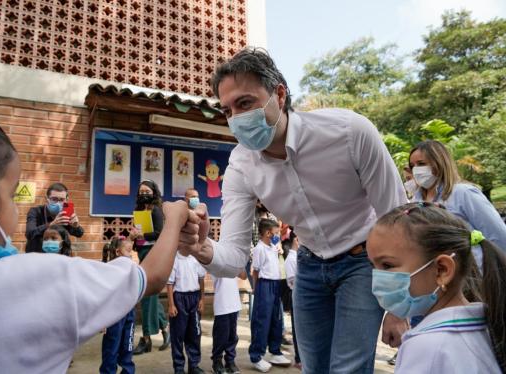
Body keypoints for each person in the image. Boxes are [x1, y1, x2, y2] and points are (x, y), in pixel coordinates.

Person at [177, 48, 408, 373]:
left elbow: (397, 219)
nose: (236, 119)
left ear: (279, 95)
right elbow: (232, 257)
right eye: (227, 110)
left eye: (244, 103)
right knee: (313, 367)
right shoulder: (241, 166)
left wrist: (399, 306)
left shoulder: (349, 133)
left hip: (364, 262)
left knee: (348, 369)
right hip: (311, 268)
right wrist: (202, 247)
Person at [0, 105, 200, 372]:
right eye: (10, 195)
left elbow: (79, 234)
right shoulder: (44, 279)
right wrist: (175, 220)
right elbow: (150, 277)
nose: (15, 207)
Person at [367, 202, 505, 373]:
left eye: (387, 265)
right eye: (373, 266)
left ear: (442, 270)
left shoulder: (427, 347)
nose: (377, 277)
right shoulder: (488, 327)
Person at [409, 140, 506, 264]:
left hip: (472, 274)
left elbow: (497, 234)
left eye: (421, 164)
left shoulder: (463, 193)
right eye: (412, 166)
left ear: (439, 163)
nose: (416, 170)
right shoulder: (416, 200)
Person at [132, 180, 171, 354]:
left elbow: (160, 233)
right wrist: (134, 235)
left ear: (153, 192)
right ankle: (165, 329)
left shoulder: (156, 209)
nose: (144, 194)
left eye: (147, 191)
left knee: (146, 294)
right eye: (141, 191)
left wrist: (143, 234)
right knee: (150, 296)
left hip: (152, 252)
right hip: (141, 251)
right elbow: (138, 232)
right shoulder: (140, 210)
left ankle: (146, 338)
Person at [249, 219, 291, 372]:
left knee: (277, 319)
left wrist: (278, 249)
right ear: (267, 233)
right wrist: (256, 288)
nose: (277, 236)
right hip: (264, 285)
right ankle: (256, 356)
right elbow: (255, 271)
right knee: (262, 320)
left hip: (275, 284)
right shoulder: (259, 249)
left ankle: (275, 351)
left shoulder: (273, 247)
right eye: (276, 233)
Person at [100, 237, 137, 374]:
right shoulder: (108, 270)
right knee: (111, 348)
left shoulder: (131, 269)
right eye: (128, 251)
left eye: (132, 252)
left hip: (129, 312)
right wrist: (102, 320)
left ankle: (128, 370)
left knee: (127, 345)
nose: (131, 255)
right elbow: (103, 296)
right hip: (113, 315)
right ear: (118, 252)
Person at [167, 252, 207, 374]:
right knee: (178, 335)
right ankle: (179, 367)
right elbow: (169, 284)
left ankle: (193, 365)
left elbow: (201, 279)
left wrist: (202, 299)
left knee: (195, 333)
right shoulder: (174, 259)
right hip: (179, 298)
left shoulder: (196, 257)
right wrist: (171, 304)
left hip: (194, 298)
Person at [25, 182, 84, 253]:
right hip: (36, 254)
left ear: (66, 200)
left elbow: (79, 234)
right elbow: (29, 233)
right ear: (47, 199)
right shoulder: (35, 211)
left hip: (58, 256)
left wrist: (76, 226)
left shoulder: (65, 213)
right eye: (54, 199)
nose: (58, 203)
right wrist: (51, 224)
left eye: (62, 200)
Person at [210, 269, 247, 374]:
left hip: (234, 303)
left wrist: (238, 263)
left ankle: (230, 361)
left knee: (232, 336)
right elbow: (220, 271)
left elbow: (244, 276)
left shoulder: (233, 261)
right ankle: (216, 362)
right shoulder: (216, 261)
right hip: (222, 304)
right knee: (220, 336)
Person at [283, 231, 301, 370]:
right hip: (297, 294)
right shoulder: (291, 258)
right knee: (298, 328)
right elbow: (292, 281)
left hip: (302, 293)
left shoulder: (300, 257)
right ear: (296, 240)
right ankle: (298, 358)